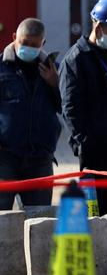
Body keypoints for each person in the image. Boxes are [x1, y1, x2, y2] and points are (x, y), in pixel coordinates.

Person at [59, 0, 107, 215]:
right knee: (96, 213)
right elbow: (71, 108)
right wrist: (85, 143)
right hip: (94, 152)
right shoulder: (76, 60)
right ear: (98, 26)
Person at [0, 18, 61, 210]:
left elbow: (64, 108)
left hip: (40, 159)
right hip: (5, 158)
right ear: (14, 38)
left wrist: (54, 85)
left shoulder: (52, 70)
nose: (28, 48)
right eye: (24, 43)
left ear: (42, 43)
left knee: (39, 220)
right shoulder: (1, 68)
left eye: (34, 45)